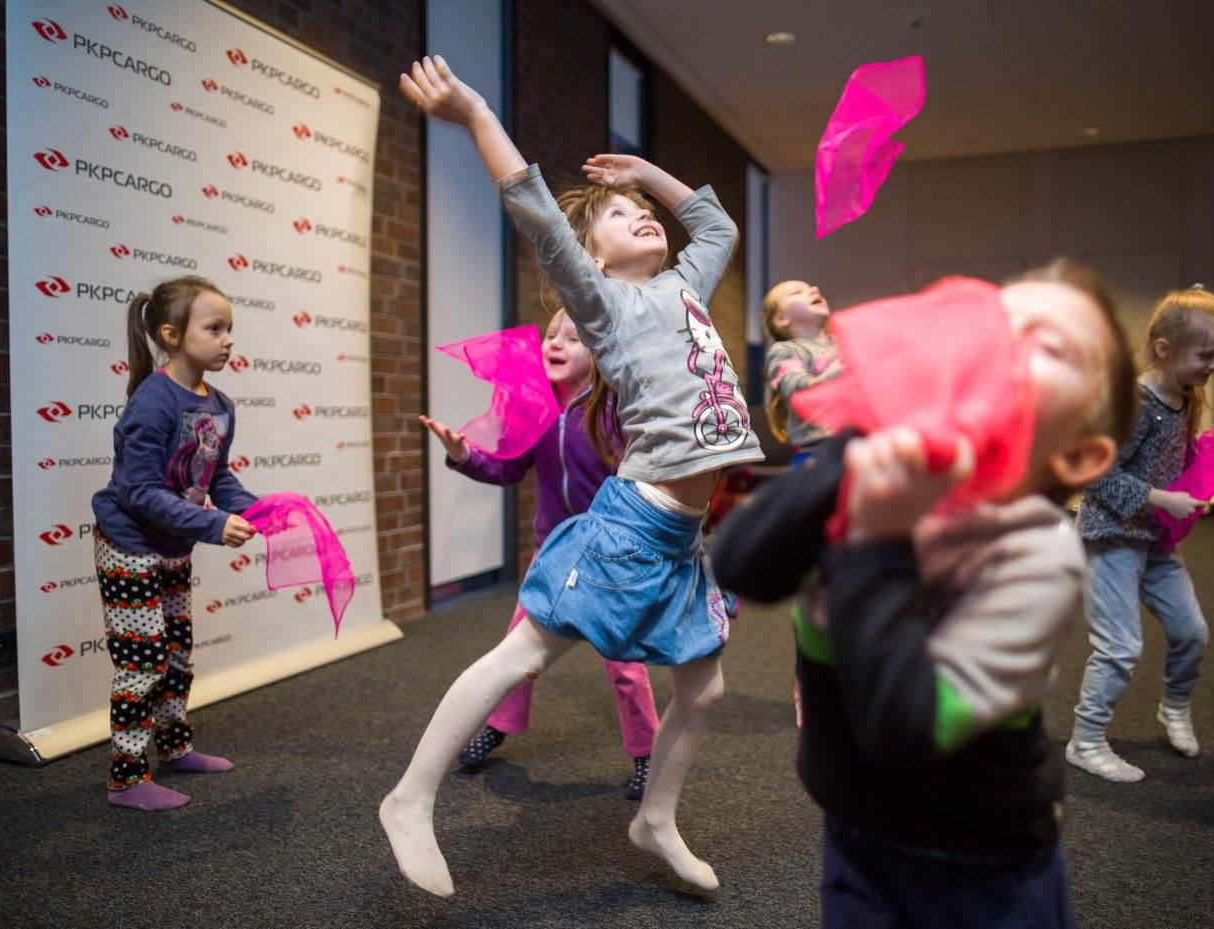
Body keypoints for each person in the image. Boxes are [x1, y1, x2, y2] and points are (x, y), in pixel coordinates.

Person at [381, 55, 761, 897]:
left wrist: (644, 174)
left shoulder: (684, 290)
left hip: (681, 539)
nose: (644, 218)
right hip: (632, 525)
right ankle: (409, 796)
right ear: (592, 256)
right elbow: (533, 207)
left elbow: (719, 229)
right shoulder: (606, 306)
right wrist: (477, 111)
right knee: (522, 655)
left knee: (704, 689)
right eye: (623, 217)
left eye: (645, 213)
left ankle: (654, 817)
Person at [712, 260, 1136, 927]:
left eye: (1046, 345)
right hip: (854, 830)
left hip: (981, 865)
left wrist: (875, 537)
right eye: (995, 322)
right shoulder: (884, 462)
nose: (999, 343)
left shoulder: (1032, 549)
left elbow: (904, 726)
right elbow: (740, 563)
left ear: (1078, 456)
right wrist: (852, 451)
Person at [421, 308, 659, 797]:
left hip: (607, 555)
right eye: (551, 335)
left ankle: (647, 753)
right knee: (517, 652)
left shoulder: (611, 409)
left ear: (597, 352)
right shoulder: (535, 407)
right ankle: (500, 724)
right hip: (552, 551)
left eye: (573, 338)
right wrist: (464, 456)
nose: (556, 343)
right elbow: (507, 471)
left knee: (624, 665)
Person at [91, 276, 258, 811]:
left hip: (173, 547)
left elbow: (216, 478)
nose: (227, 338)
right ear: (172, 334)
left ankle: (174, 746)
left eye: (230, 328)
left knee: (177, 656)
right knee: (142, 662)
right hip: (128, 543)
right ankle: (126, 778)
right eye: (214, 328)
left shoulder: (222, 404)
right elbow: (138, 491)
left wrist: (255, 509)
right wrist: (211, 526)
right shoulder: (153, 401)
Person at [1068, 285, 1214, 781]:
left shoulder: (1185, 398)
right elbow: (1096, 471)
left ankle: (1174, 708)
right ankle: (1086, 740)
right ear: (1164, 350)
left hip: (1156, 539)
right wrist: (1162, 499)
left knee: (1192, 632)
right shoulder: (1135, 402)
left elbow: (1177, 459)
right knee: (1120, 647)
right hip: (1112, 537)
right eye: (1206, 354)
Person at [762, 280, 841, 464]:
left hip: (857, 441)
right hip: (817, 451)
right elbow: (795, 387)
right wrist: (830, 376)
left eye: (813, 287)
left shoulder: (842, 343)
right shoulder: (784, 351)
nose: (815, 289)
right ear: (782, 319)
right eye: (797, 292)